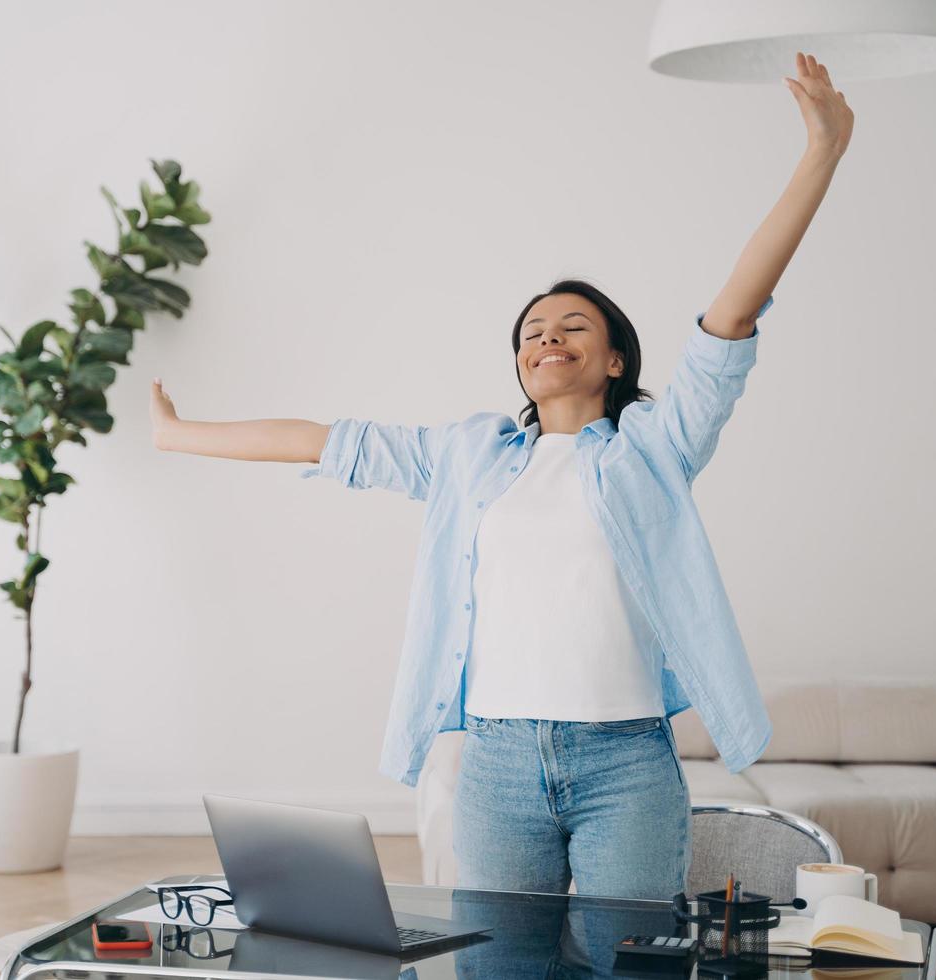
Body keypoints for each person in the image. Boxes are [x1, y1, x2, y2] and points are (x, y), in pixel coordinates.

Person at [151, 51, 853, 900]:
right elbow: (324, 441)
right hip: (496, 764)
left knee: (624, 961)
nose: (546, 337)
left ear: (616, 357)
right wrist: (181, 435)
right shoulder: (469, 457)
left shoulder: (654, 449)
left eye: (572, 326)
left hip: (624, 763)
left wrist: (821, 149)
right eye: (531, 332)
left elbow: (732, 315)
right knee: (497, 966)